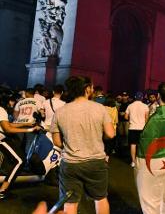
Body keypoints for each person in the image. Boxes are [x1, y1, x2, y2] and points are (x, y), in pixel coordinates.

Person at [50, 76, 115, 214]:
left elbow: (57, 142)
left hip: (70, 163)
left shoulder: (60, 112)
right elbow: (110, 134)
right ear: (87, 89)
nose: (92, 89)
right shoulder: (100, 108)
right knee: (100, 198)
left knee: (70, 202)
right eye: (91, 87)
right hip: (95, 162)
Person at [134, 82, 165, 214]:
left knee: (151, 202)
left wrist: (138, 165)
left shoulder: (154, 118)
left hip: (154, 162)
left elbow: (145, 141)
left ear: (157, 96)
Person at [0, 105, 40, 199]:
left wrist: (24, 124)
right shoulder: (1, 109)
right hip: (1, 139)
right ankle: (2, 190)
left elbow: (7, 124)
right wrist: (30, 129)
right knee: (20, 160)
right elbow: (7, 129)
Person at [125, 92, 149, 167]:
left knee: (133, 145)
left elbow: (125, 117)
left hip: (132, 128)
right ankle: (141, 161)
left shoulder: (130, 106)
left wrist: (131, 119)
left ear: (135, 97)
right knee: (141, 145)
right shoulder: (145, 106)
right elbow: (147, 118)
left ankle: (133, 162)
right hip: (142, 128)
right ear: (142, 98)